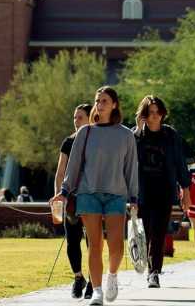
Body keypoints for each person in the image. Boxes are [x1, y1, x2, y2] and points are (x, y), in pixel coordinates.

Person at [51, 86, 138, 306]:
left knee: (116, 246)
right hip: (88, 194)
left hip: (116, 195)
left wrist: (135, 198)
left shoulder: (126, 135)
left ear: (114, 104)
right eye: (98, 100)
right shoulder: (85, 133)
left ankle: (112, 276)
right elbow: (73, 166)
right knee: (95, 245)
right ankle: (97, 291)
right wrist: (63, 191)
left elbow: (131, 169)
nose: (99, 104)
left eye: (105, 101)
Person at [133, 95, 191, 288]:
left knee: (158, 234)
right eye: (150, 113)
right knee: (146, 233)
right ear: (144, 115)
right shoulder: (137, 136)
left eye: (158, 112)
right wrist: (138, 131)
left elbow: (180, 163)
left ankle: (154, 273)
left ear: (163, 113)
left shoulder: (170, 135)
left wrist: (186, 189)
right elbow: (129, 161)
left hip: (164, 191)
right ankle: (146, 262)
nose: (155, 116)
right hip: (142, 192)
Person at [52, 103, 93, 299]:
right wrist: (59, 199)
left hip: (93, 197)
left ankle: (94, 280)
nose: (76, 122)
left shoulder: (96, 141)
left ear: (90, 118)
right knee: (72, 240)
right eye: (75, 118)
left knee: (93, 241)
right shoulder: (68, 142)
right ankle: (78, 278)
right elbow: (60, 173)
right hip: (72, 198)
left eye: (80, 118)